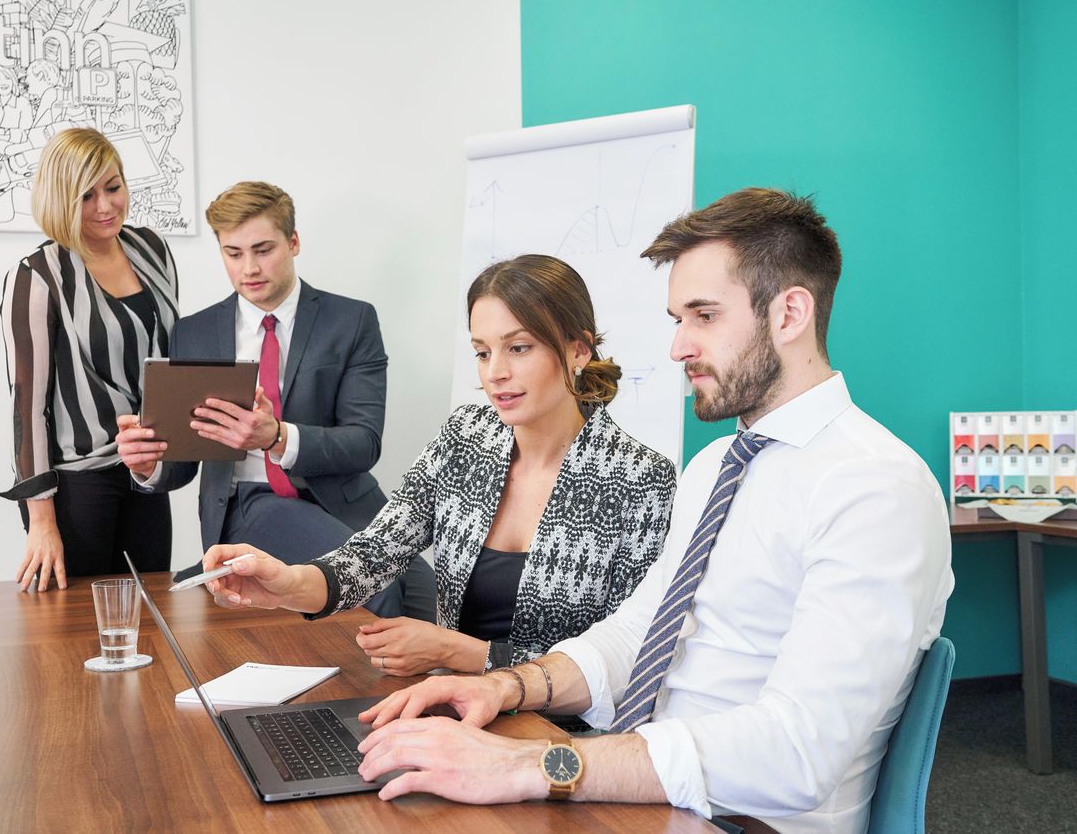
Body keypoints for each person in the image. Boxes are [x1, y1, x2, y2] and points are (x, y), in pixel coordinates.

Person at [211, 189, 955, 832]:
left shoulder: (874, 488)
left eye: (702, 316)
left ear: (790, 312)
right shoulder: (719, 467)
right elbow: (636, 634)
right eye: (677, 318)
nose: (677, 347)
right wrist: (502, 686)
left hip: (738, 817)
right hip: (643, 780)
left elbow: (798, 754)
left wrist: (536, 763)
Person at [194, 254, 677, 677]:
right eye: (482, 352)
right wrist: (285, 584)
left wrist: (457, 652)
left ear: (578, 349)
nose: (495, 373)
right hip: (455, 709)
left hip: (562, 733)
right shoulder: (465, 437)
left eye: (519, 347)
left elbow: (623, 662)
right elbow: (372, 555)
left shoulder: (641, 480)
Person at [116, 181, 435, 619]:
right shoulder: (195, 332)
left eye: (263, 250)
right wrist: (148, 464)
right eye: (233, 253)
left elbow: (364, 443)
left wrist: (277, 437)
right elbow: (184, 461)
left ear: (293, 242)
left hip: (345, 501)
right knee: (375, 587)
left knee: (430, 600)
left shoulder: (352, 320)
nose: (249, 268)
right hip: (251, 502)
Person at [0, 127, 179, 591]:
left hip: (147, 469)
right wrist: (42, 521)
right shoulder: (38, 275)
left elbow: (169, 359)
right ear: (61, 199)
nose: (105, 206)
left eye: (113, 187)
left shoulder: (153, 251)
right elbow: (27, 409)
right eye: (86, 196)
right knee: (75, 625)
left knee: (152, 610)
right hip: (77, 486)